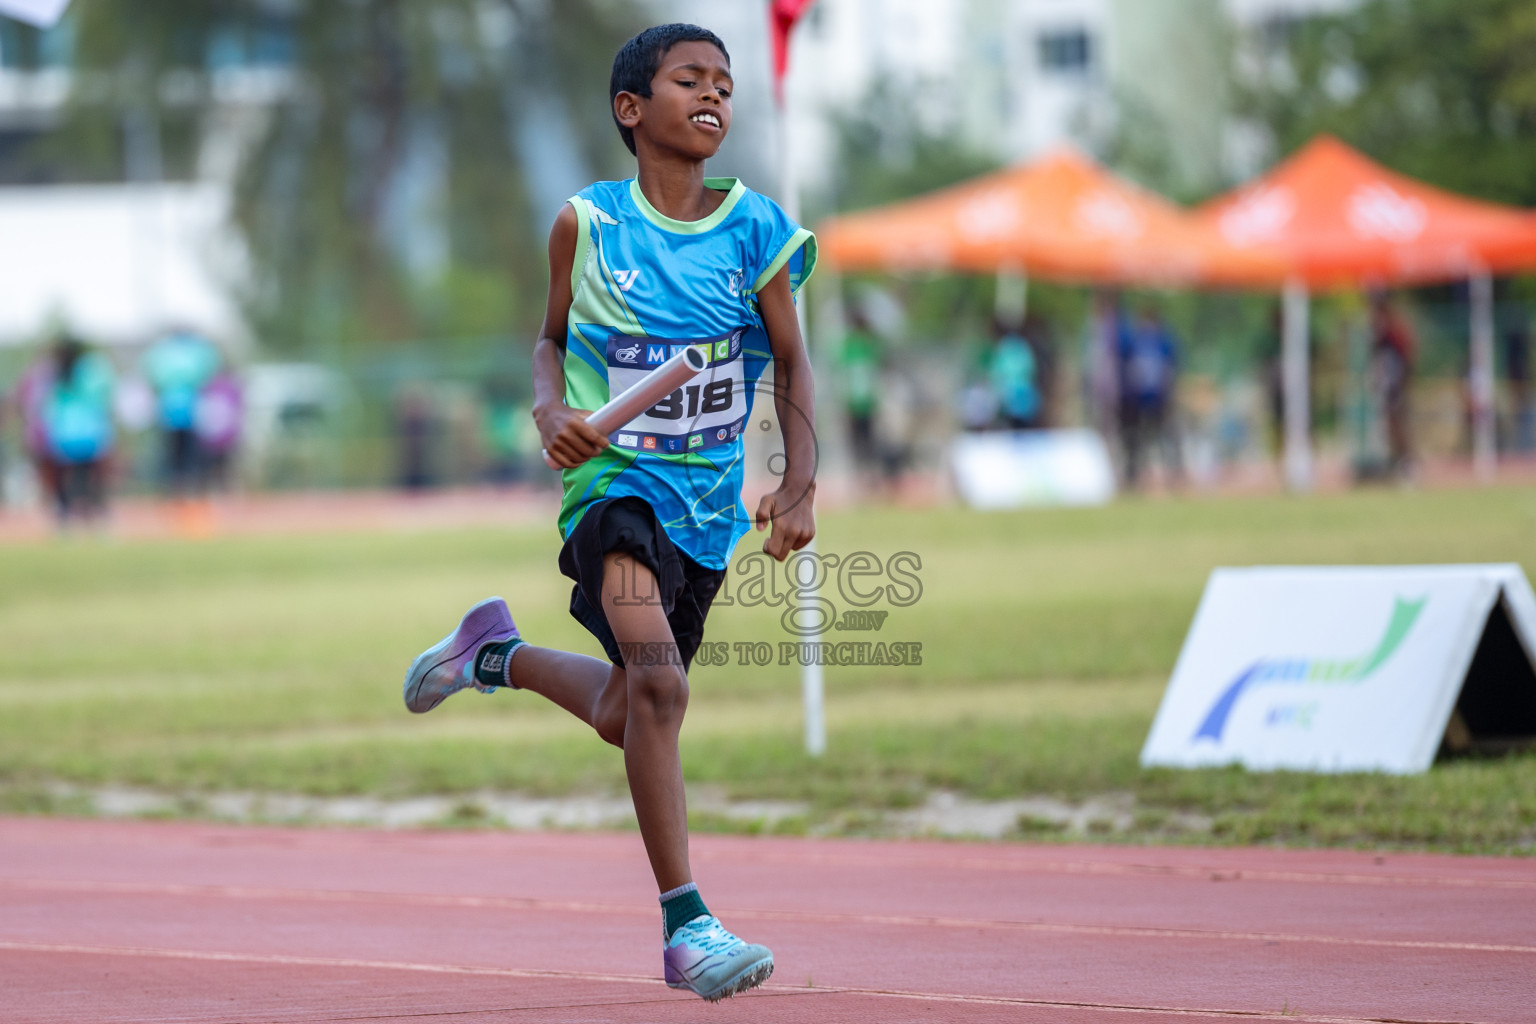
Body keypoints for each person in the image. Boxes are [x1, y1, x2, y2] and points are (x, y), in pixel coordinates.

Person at [401, 24, 815, 1003]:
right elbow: (548, 342)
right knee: (663, 689)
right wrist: (551, 411)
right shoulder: (587, 225)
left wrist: (798, 484)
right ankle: (687, 928)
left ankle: (489, 653)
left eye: (724, 83)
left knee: (624, 709)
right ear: (633, 109)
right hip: (612, 492)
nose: (713, 94)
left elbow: (793, 361)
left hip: (706, 510)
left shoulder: (757, 228)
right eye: (688, 80)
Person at [41, 334, 116, 526]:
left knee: (64, 477)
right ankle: (95, 514)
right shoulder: (92, 370)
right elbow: (104, 397)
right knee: (92, 477)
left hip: (64, 434)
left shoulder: (54, 373)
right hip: (90, 432)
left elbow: (49, 407)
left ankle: (64, 514)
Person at [142, 328, 220, 496]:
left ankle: (179, 491)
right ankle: (186, 491)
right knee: (187, 456)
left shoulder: (162, 352)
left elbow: (153, 379)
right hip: (184, 413)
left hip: (173, 413)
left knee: (175, 456)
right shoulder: (196, 352)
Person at [1117, 303, 1182, 489]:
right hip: (1137, 400)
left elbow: (1170, 370)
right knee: (1135, 442)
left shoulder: (1164, 342)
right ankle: (1133, 476)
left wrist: (1170, 394)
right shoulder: (1133, 342)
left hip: (1159, 399)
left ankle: (1173, 475)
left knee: (1164, 439)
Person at [1369, 292, 1415, 478]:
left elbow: (1405, 356)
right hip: (1387, 383)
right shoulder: (1378, 326)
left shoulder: (1394, 327)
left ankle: (1407, 463)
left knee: (1398, 423)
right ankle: (1397, 462)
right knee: (1389, 424)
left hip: (1396, 384)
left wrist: (1403, 382)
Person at [838, 309, 881, 483]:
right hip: (857, 403)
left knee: (865, 441)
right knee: (862, 441)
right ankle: (864, 475)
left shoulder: (864, 345)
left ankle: (867, 474)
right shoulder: (855, 345)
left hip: (864, 402)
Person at [988, 318, 1040, 430]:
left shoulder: (1004, 346)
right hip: (1020, 398)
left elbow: (996, 373)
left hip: (1013, 398)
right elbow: (1030, 370)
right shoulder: (1022, 346)